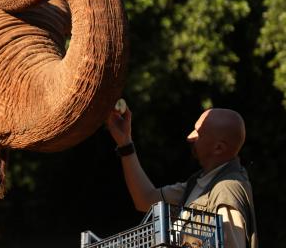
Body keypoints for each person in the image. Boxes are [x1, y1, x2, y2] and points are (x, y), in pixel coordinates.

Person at [106, 103, 258, 248]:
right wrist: (125, 142)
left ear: (218, 148)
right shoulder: (200, 183)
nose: (189, 137)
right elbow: (145, 199)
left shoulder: (227, 192)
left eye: (198, 133)